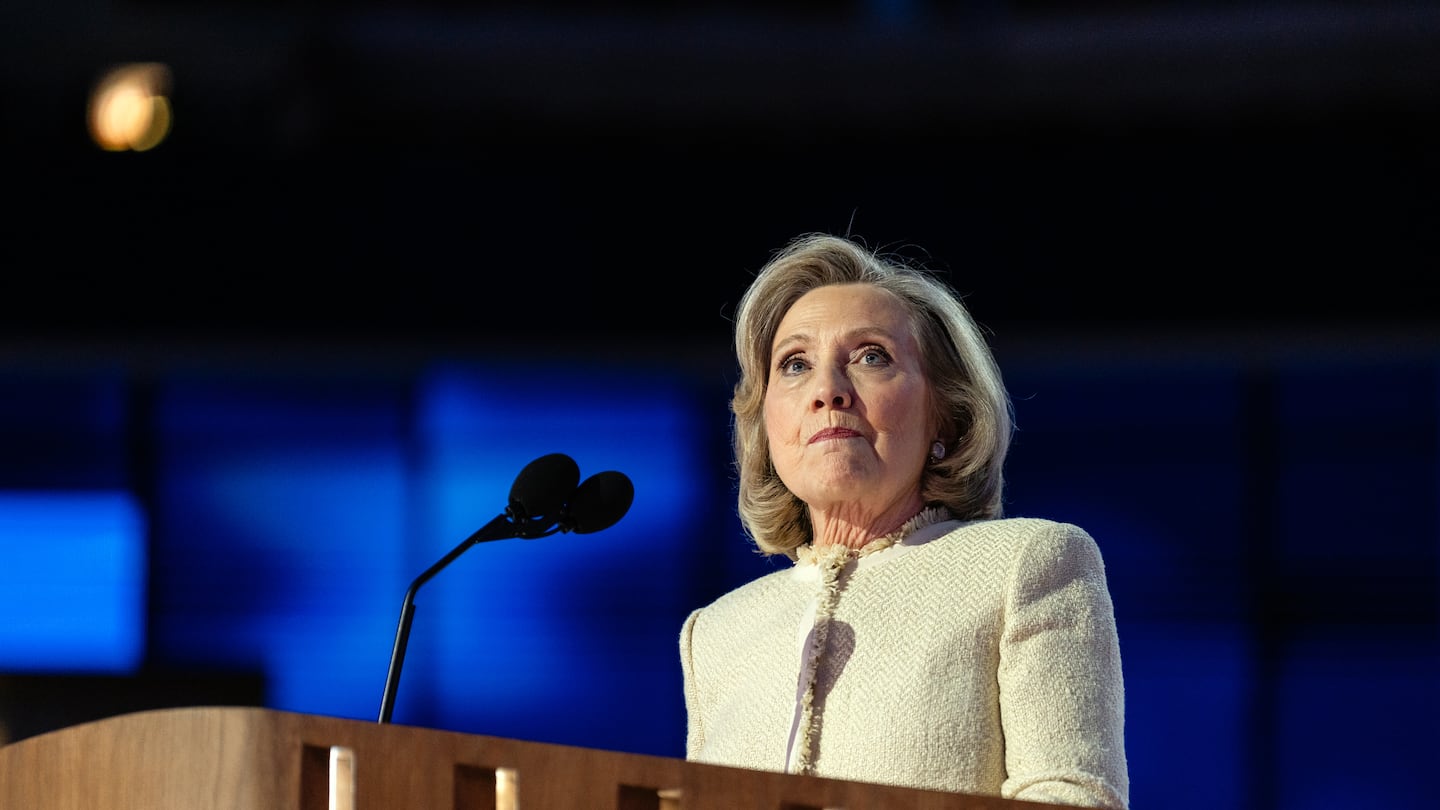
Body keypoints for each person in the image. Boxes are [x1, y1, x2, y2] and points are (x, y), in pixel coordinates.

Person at [678, 232, 1129, 809]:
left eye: (871, 357)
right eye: (795, 364)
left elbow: (1071, 798)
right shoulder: (717, 632)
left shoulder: (1028, 564)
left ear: (946, 413)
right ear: (767, 425)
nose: (827, 391)